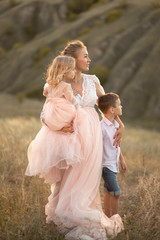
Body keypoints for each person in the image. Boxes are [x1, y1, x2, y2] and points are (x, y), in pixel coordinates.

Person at [27, 40, 125, 240]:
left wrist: (120, 124)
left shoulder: (92, 80)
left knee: (86, 178)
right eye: (85, 56)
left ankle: (81, 210)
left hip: (91, 136)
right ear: (73, 60)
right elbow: (45, 112)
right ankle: (62, 216)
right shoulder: (60, 83)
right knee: (66, 178)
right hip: (68, 138)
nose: (89, 59)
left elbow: (108, 106)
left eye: (88, 55)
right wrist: (56, 126)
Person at [25, 55, 84, 184]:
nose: (74, 72)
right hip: (62, 111)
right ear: (65, 71)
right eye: (72, 70)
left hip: (50, 112)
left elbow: (46, 94)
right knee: (74, 118)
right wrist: (79, 97)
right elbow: (72, 101)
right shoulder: (65, 86)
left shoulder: (48, 85)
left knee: (53, 138)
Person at [98, 93, 127, 218]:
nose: (121, 107)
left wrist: (122, 160)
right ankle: (115, 219)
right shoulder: (101, 128)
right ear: (112, 109)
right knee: (116, 192)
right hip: (106, 166)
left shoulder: (116, 125)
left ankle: (107, 216)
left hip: (113, 163)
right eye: (119, 105)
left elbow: (116, 145)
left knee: (108, 192)